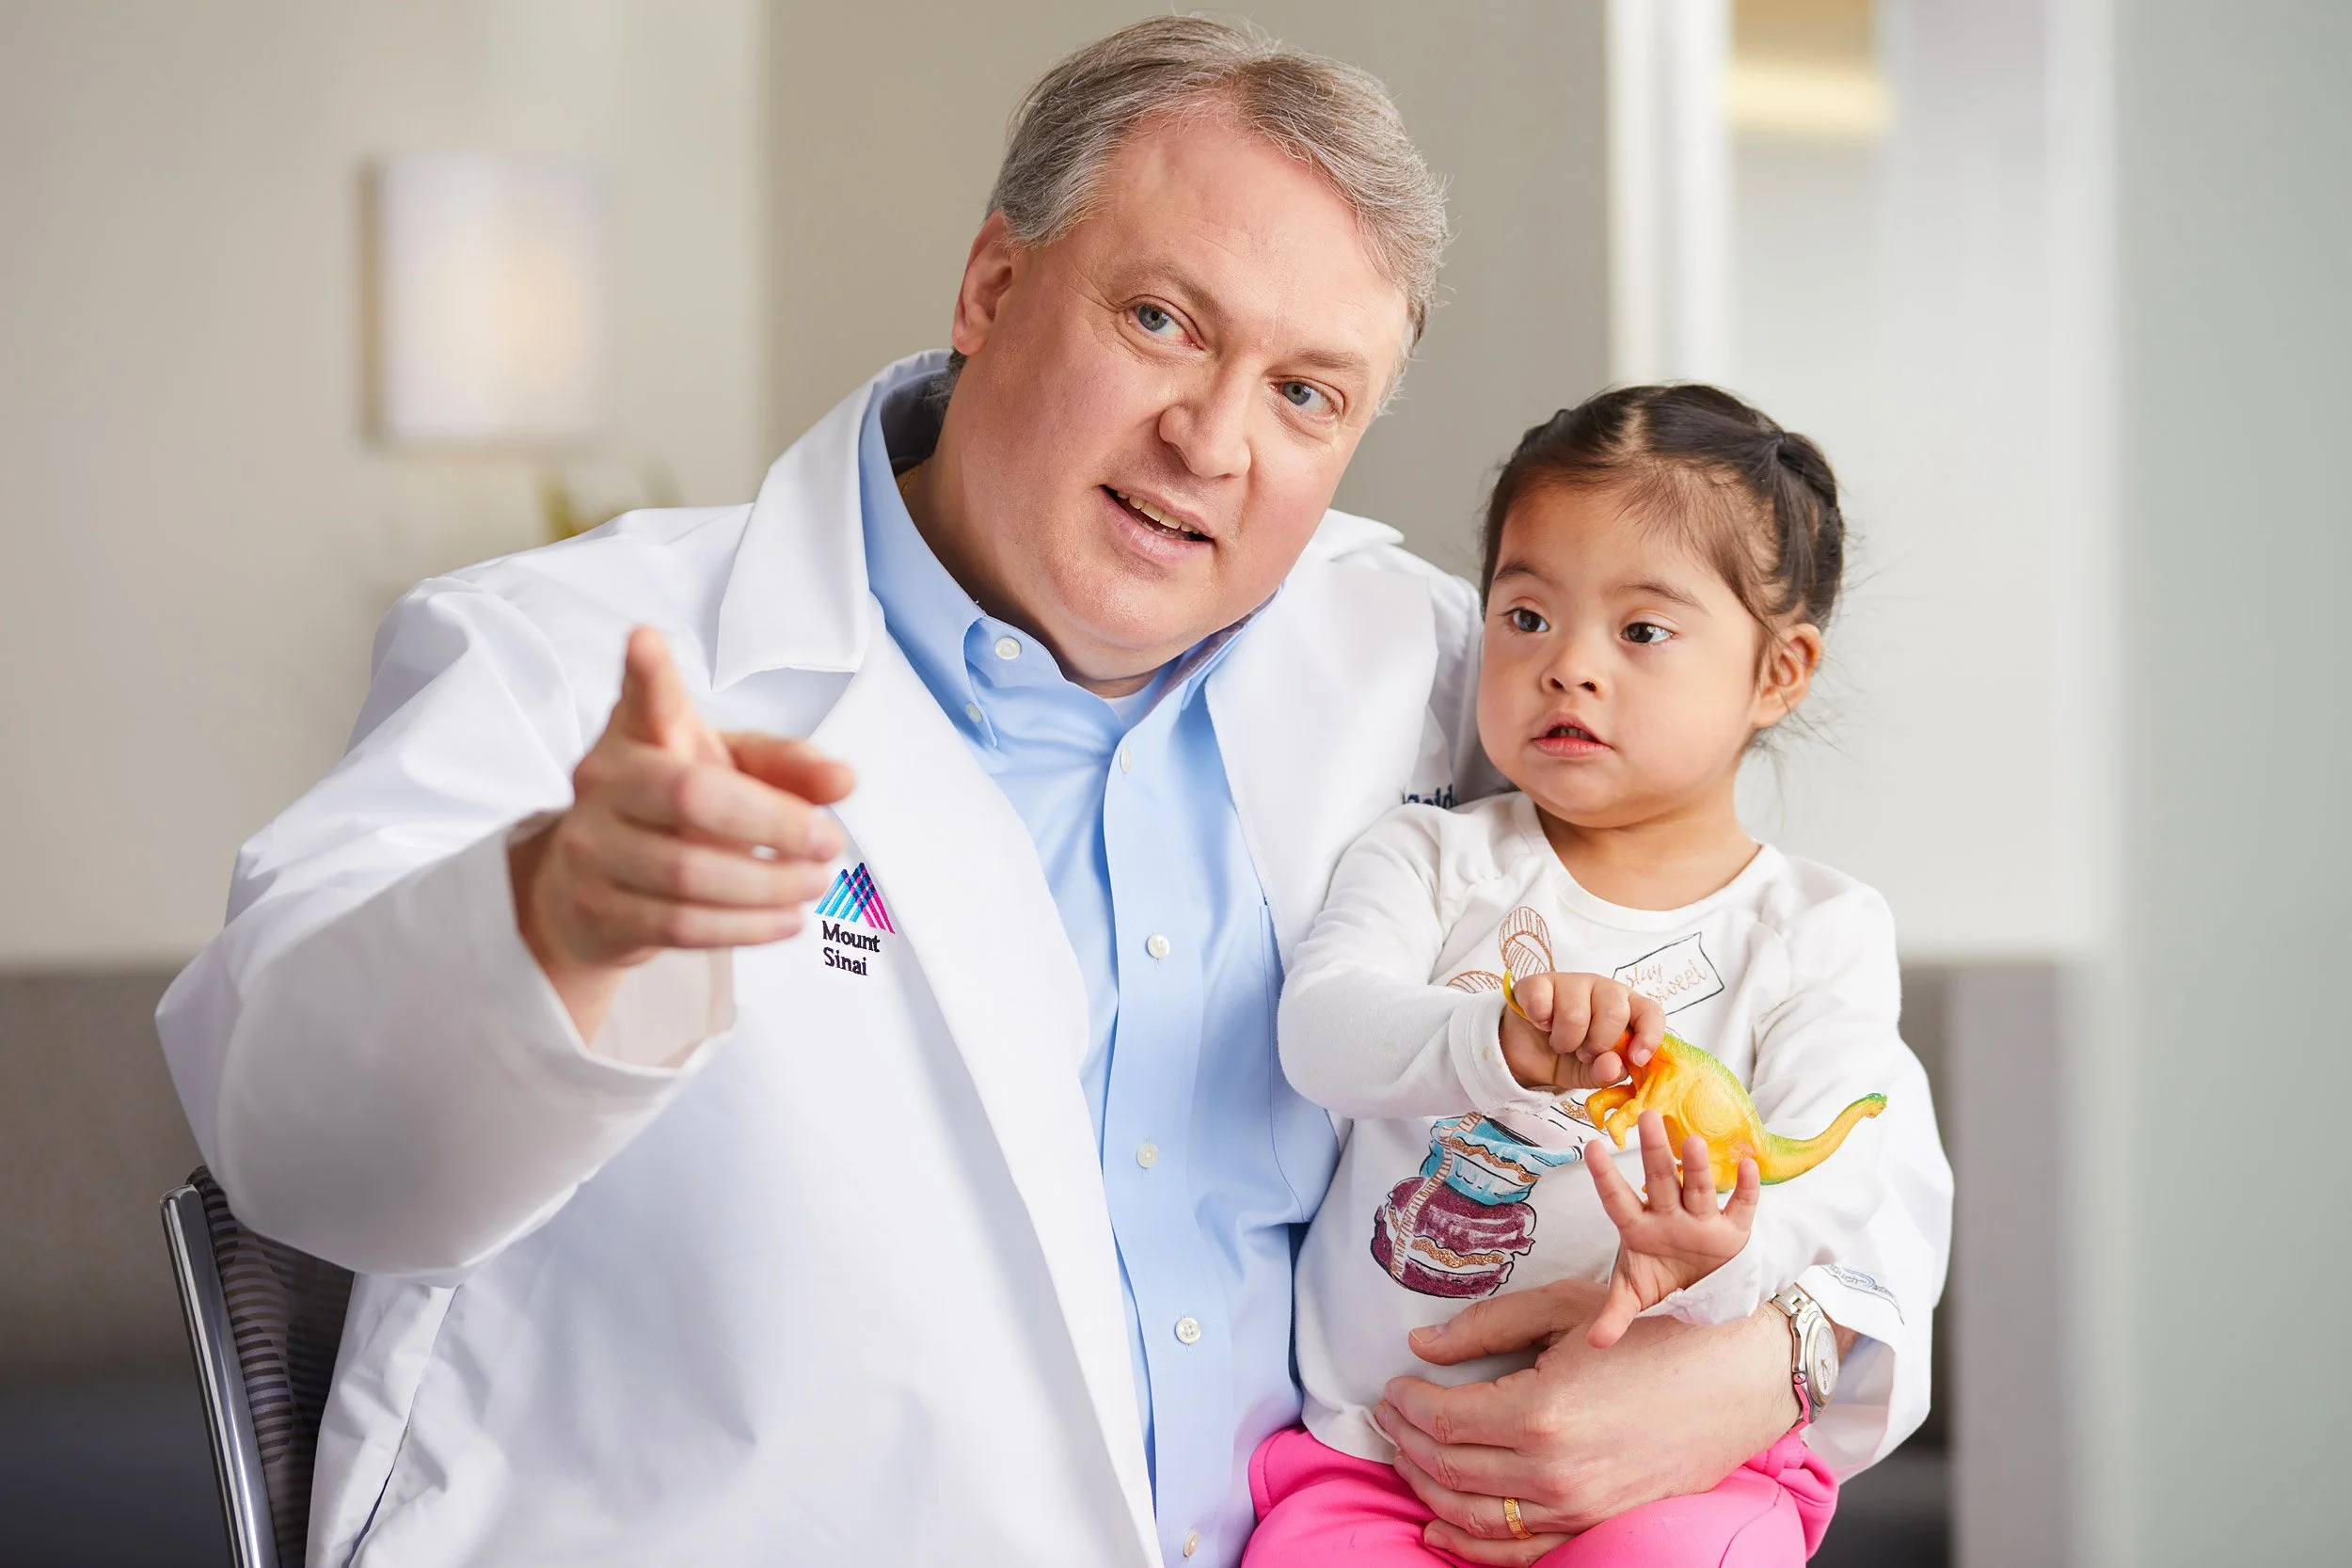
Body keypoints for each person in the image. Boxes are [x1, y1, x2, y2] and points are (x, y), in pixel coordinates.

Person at [155, 19, 1947, 1568]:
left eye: (1309, 394)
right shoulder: (580, 652)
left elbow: (1783, 1002)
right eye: (1164, 321)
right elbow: (287, 1126)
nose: (1218, 440)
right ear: (997, 288)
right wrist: (546, 925)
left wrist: (1779, 1349)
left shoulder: (1420, 669)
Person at [1246, 386, 1947, 1564]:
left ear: (1778, 673)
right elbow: (1319, 1034)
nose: (1566, 666)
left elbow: (1838, 1175)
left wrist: (1723, 1259)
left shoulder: (1818, 928)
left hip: (1688, 1474)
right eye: (1524, 614)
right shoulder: (1427, 855)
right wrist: (1495, 1043)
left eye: (1640, 630)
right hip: (1381, 1456)